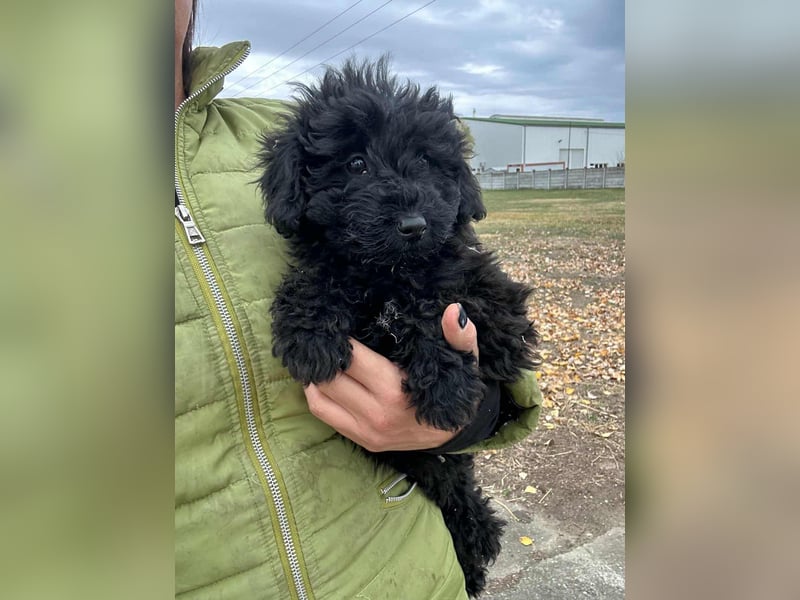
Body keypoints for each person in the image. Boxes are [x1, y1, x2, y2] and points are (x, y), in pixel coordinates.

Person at [174, 1, 542, 597]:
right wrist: (311, 307)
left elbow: (503, 356)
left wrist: (469, 410)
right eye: (356, 166)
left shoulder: (273, 125)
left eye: (423, 162)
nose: (409, 205)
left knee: (463, 522)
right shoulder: (299, 160)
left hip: (415, 563)